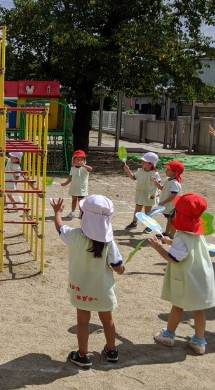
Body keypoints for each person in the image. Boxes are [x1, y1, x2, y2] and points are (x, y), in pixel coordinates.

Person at [51, 195, 125, 369]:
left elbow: (59, 227)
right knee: (108, 320)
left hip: (81, 287)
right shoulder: (109, 243)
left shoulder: (75, 235)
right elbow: (118, 268)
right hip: (103, 289)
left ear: (85, 217)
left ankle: (83, 355)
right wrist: (123, 269)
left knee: (83, 321)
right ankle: (112, 350)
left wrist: (57, 212)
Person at [149, 194, 215, 355]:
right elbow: (188, 248)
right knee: (199, 310)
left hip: (187, 278)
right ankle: (199, 342)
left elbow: (173, 258)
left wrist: (158, 247)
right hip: (201, 277)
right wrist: (170, 242)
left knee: (178, 305)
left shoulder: (181, 235)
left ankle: (168, 334)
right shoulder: (197, 232)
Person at [123, 152, 161, 233]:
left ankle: (149, 226)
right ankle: (134, 223)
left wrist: (160, 191)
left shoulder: (155, 173)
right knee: (138, 208)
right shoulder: (139, 171)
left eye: (144, 161)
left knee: (147, 211)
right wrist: (128, 170)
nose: (142, 162)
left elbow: (159, 184)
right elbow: (133, 178)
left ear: (151, 164)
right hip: (140, 193)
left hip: (149, 195)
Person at [153, 160, 183, 238]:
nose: (166, 170)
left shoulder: (174, 183)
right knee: (169, 220)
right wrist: (156, 183)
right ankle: (166, 233)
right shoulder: (168, 180)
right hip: (169, 205)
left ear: (174, 172)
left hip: (173, 206)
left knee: (173, 221)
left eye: (168, 169)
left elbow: (173, 195)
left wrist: (164, 202)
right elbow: (163, 188)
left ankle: (171, 236)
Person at [60, 150, 93, 218]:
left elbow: (90, 169)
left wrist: (84, 165)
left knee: (81, 201)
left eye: (81, 159)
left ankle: (81, 213)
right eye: (77, 159)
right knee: (74, 200)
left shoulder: (85, 168)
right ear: (74, 160)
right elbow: (71, 177)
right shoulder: (72, 168)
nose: (79, 161)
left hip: (82, 188)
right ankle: (72, 212)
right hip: (74, 187)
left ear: (84, 160)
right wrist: (65, 183)